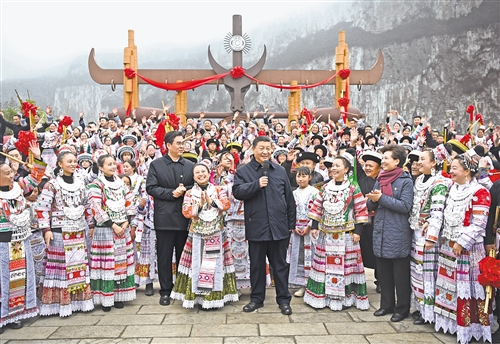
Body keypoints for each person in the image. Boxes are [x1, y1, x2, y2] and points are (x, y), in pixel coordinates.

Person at [233, 136, 296, 315]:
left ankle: (284, 300)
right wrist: (256, 185)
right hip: (257, 226)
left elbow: (289, 199)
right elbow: (237, 192)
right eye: (262, 148)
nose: (266, 151)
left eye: (268, 148)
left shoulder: (280, 171)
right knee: (257, 266)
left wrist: (291, 224)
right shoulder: (244, 171)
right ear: (253, 149)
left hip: (279, 227)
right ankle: (257, 299)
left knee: (280, 265)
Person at [434, 151, 491, 344]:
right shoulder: (452, 188)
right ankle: (450, 324)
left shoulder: (480, 192)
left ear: (467, 171)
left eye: (454, 168)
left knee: (468, 288)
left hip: (467, 250)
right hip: (448, 247)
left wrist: (461, 242)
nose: (451, 171)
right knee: (450, 286)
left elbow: (479, 223)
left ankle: (469, 327)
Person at [304, 156, 370, 311]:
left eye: (337, 166)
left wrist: (358, 232)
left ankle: (346, 299)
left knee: (345, 267)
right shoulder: (325, 188)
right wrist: (314, 226)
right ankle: (324, 297)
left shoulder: (353, 188)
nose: (333, 168)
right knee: (325, 266)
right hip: (326, 235)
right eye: (332, 166)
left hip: (346, 235)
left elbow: (361, 210)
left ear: (346, 169)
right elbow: (317, 208)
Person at [171, 161, 238, 309]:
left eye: (204, 172)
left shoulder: (218, 189)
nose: (201, 174)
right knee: (198, 264)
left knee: (214, 264)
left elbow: (226, 205)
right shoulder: (189, 193)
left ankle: (214, 298)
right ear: (194, 177)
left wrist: (211, 201)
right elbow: (186, 212)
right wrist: (200, 205)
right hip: (197, 234)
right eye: (197, 173)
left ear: (209, 174)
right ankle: (197, 298)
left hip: (216, 232)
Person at [36, 151, 94, 317]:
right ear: (60, 164)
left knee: (78, 266)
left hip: (78, 230)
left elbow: (87, 204)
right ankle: (59, 303)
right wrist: (46, 230)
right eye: (69, 161)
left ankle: (78, 302)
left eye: (74, 161)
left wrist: (91, 224)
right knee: (61, 268)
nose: (73, 164)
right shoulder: (52, 185)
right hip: (59, 232)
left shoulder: (81, 183)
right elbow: (43, 208)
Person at [0, 142, 46, 332]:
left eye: (11, 172)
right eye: (6, 172)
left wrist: (38, 157)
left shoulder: (19, 187)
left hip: (20, 239)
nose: (11, 174)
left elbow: (36, 177)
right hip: (2, 241)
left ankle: (13, 314)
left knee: (17, 278)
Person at [146, 130, 194, 306]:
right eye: (179, 143)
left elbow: (196, 185)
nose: (182, 146)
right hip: (164, 217)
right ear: (168, 146)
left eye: (183, 143)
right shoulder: (156, 165)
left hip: (184, 217)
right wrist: (171, 193)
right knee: (165, 256)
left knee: (184, 256)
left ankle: (181, 288)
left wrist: (185, 190)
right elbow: (151, 188)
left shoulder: (190, 165)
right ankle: (165, 290)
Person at [367, 144, 414, 322]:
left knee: (400, 275)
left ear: (397, 161)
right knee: (384, 272)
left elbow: (405, 206)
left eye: (387, 158)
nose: (383, 161)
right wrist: (372, 200)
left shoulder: (406, 181)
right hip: (380, 231)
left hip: (398, 232)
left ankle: (402, 309)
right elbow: (374, 205)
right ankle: (386, 305)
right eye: (383, 158)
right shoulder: (380, 178)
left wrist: (381, 198)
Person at [87, 154, 137, 312]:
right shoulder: (96, 184)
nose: (113, 166)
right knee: (107, 262)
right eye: (109, 164)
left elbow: (129, 202)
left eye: (114, 164)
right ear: (100, 167)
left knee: (120, 261)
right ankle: (105, 297)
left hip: (122, 228)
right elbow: (96, 207)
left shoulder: (121, 183)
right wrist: (112, 225)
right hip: (106, 229)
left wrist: (126, 222)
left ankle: (119, 296)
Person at [408, 147, 451, 325]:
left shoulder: (439, 183)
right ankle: (419, 308)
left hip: (428, 235)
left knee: (427, 272)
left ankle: (429, 313)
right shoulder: (419, 179)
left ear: (434, 163)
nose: (418, 162)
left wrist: (431, 236)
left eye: (423, 159)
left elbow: (437, 213)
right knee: (416, 272)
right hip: (415, 230)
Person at [287, 167, 319, 297]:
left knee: (311, 256)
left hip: (310, 229)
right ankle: (301, 284)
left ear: (309, 177)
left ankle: (312, 284)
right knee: (299, 257)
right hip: (297, 229)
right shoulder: (293, 193)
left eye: (303, 176)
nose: (300, 179)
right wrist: (293, 225)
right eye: (298, 176)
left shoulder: (315, 192)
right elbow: (290, 210)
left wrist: (309, 226)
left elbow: (317, 211)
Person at [357, 150, 383, 293]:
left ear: (379, 168)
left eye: (370, 166)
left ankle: (380, 281)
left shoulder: (382, 181)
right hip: (361, 222)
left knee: (377, 251)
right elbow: (354, 164)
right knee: (361, 250)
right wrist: (354, 144)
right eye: (365, 165)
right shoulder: (361, 177)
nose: (367, 168)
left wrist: (369, 201)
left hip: (376, 221)